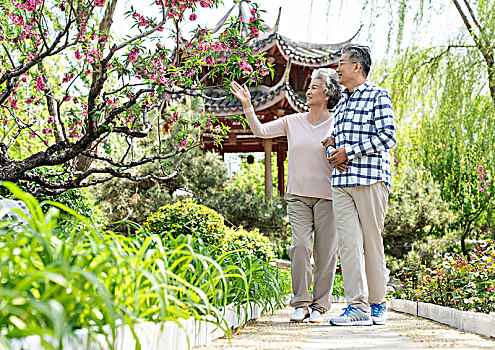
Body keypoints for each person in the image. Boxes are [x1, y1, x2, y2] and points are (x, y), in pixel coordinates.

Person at [230, 69, 341, 323]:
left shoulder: (338, 122)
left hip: (329, 197)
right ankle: (301, 303)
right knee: (300, 246)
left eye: (314, 87)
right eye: (309, 87)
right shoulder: (293, 121)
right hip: (298, 196)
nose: (309, 90)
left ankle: (320, 307)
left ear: (327, 94)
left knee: (326, 253)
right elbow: (260, 131)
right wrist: (248, 105)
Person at [325, 44, 396, 326]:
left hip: (370, 180)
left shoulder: (378, 96)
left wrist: (349, 152)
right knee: (348, 244)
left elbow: (388, 136)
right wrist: (332, 148)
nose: (337, 68)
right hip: (341, 181)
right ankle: (357, 307)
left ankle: (378, 303)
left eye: (341, 63)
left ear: (357, 67)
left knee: (371, 242)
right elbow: (337, 139)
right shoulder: (342, 102)